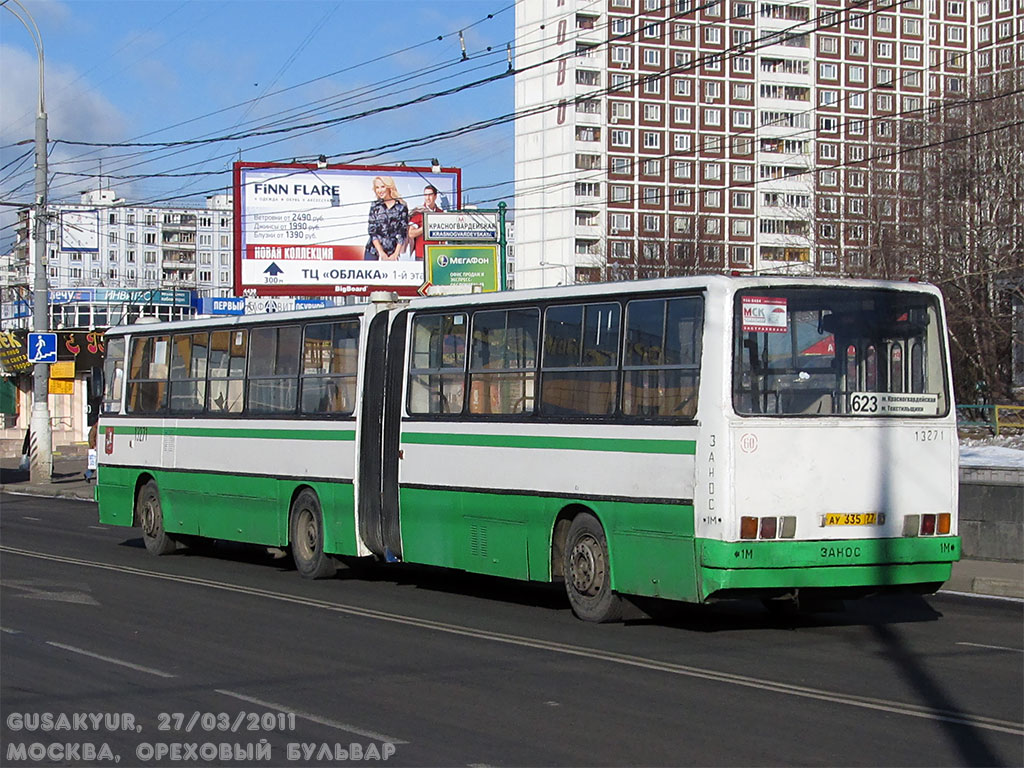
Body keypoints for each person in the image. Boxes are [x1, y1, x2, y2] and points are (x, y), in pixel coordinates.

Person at [364, 176, 409, 260]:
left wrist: (396, 254)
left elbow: (402, 232)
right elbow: (372, 231)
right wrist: (381, 252)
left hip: (392, 252)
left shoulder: (401, 206)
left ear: (389, 187)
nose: (380, 190)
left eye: (382, 186)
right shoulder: (375, 206)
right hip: (373, 251)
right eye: (377, 187)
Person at [402, 184, 445, 260]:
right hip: (422, 255)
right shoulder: (419, 212)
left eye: (430, 195)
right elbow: (411, 234)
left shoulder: (440, 213)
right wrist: (425, 227)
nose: (427, 198)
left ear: (435, 196)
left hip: (437, 255)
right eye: (425, 195)